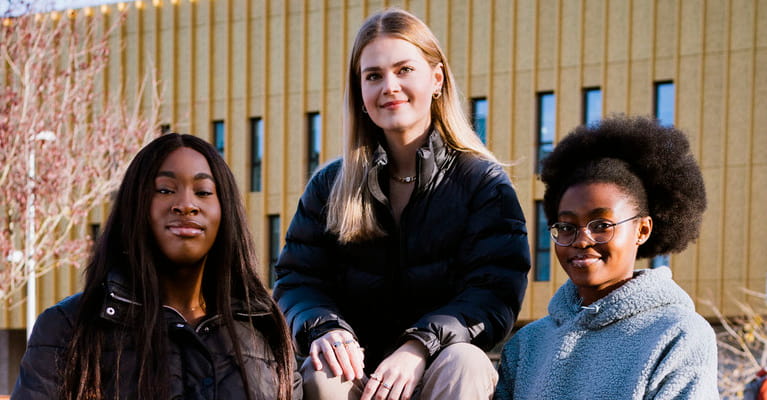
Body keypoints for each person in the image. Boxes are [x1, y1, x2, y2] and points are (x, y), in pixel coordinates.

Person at [273, 8, 531, 400]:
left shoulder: (482, 184)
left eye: (404, 69)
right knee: (323, 371)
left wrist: (419, 346)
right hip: (357, 372)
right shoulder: (329, 186)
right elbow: (296, 280)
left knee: (468, 361)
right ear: (360, 93)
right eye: (373, 76)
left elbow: (494, 293)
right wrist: (325, 329)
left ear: (437, 79)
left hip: (438, 368)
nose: (389, 86)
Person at [13, 133, 301, 400]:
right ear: (135, 206)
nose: (186, 205)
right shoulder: (68, 327)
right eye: (165, 190)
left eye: (203, 192)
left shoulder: (265, 326)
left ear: (225, 211)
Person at [494, 115, 719, 399]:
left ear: (642, 229)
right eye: (566, 226)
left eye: (601, 226)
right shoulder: (527, 344)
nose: (582, 240)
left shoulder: (679, 333)